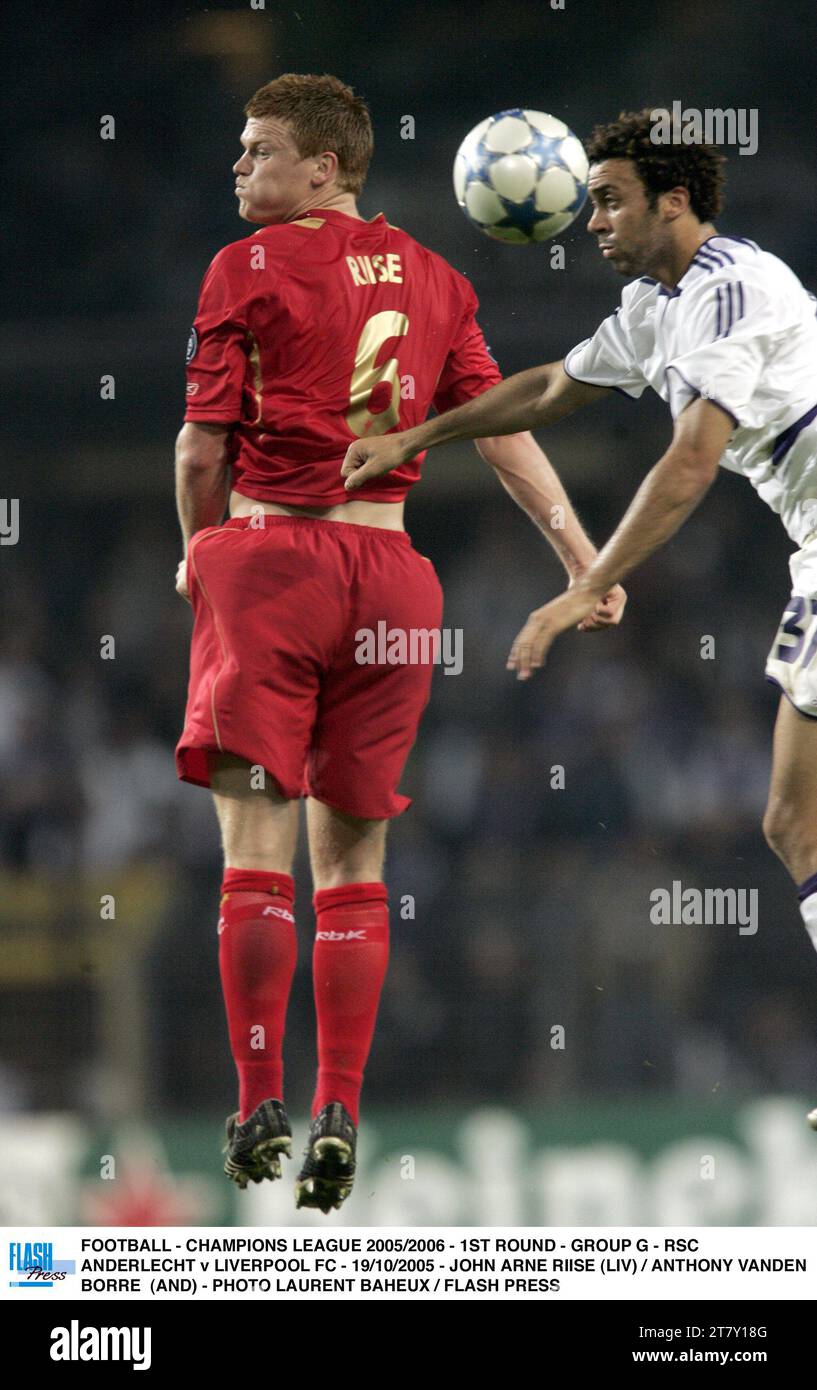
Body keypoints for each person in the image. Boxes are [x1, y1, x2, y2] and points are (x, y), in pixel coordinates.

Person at [173, 73, 625, 1213]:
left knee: (255, 854)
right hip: (391, 580)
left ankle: (258, 1097)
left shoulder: (245, 267)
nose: (239, 168)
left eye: (257, 149)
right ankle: (343, 1110)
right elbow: (503, 433)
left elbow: (197, 452)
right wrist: (584, 559)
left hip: (271, 558)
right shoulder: (439, 278)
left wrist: (197, 553)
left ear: (322, 167)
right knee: (357, 869)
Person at [342, 108, 817, 1126]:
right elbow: (555, 385)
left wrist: (579, 584)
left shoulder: (729, 292)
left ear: (673, 200)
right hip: (811, 548)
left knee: (796, 819)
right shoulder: (657, 303)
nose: (587, 219)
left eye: (607, 200)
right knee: (792, 821)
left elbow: (690, 460)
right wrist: (418, 432)